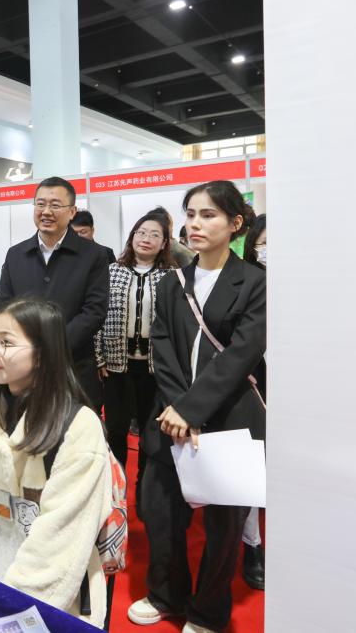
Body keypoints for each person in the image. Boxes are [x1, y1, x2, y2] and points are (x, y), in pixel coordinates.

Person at [128, 180, 266, 633]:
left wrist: (194, 410)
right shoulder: (174, 281)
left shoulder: (256, 283)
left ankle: (208, 611)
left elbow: (241, 355)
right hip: (170, 417)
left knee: (224, 526)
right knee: (160, 511)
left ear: (235, 223)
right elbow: (162, 346)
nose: (196, 224)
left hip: (229, 418)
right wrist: (178, 407)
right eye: (190, 214)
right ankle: (166, 594)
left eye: (208, 215)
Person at [0, 298, 112, 627]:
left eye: (6, 343)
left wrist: (9, 616)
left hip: (51, 595)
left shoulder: (79, 426)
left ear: (42, 353)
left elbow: (59, 543)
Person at [0, 177, 109, 412]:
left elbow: (94, 312)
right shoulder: (16, 254)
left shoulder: (93, 255)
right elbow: (3, 307)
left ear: (72, 211)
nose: (46, 211)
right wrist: (25, 347)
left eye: (55, 205)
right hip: (23, 370)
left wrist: (50, 347)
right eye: (40, 204)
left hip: (73, 367)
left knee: (75, 430)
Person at [95, 212, 176, 512]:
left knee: (149, 434)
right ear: (132, 237)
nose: (146, 239)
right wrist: (99, 357)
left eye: (154, 234)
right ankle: (116, 492)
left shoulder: (172, 277)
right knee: (116, 431)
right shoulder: (110, 272)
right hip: (118, 366)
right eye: (141, 232)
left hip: (154, 369)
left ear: (164, 243)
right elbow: (97, 317)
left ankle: (145, 492)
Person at [240, 212, 267, 590]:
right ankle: (252, 545)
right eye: (264, 244)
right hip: (253, 381)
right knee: (250, 468)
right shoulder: (245, 282)